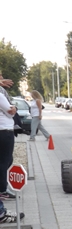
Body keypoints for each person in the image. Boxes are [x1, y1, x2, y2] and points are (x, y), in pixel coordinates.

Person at [0, 71, 24, 221]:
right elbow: (10, 111)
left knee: (5, 162)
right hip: (3, 131)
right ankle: (1, 210)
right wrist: (13, 108)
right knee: (3, 163)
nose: (2, 79)